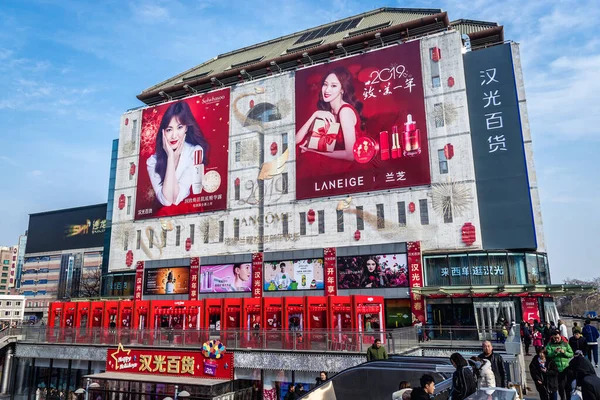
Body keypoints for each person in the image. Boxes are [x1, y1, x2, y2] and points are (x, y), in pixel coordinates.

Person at [147, 100, 209, 207]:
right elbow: (166, 201)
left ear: (186, 128)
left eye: (179, 127)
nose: (174, 135)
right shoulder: (152, 162)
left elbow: (176, 198)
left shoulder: (195, 152)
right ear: (163, 132)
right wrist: (171, 158)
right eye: (169, 130)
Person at [296, 66, 365, 162]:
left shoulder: (345, 111)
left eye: (333, 86)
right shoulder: (328, 112)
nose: (327, 90)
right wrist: (314, 115)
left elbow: (351, 155)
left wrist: (313, 151)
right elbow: (296, 141)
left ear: (342, 90)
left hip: (351, 167)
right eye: (325, 84)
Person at [547, 330, 574, 400]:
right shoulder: (550, 345)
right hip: (556, 369)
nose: (556, 339)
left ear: (560, 336)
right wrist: (554, 352)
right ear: (552, 337)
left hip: (565, 368)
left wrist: (564, 352)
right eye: (555, 338)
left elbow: (571, 354)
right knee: (560, 387)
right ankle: (562, 398)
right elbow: (548, 355)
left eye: (558, 337)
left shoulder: (565, 344)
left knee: (567, 387)